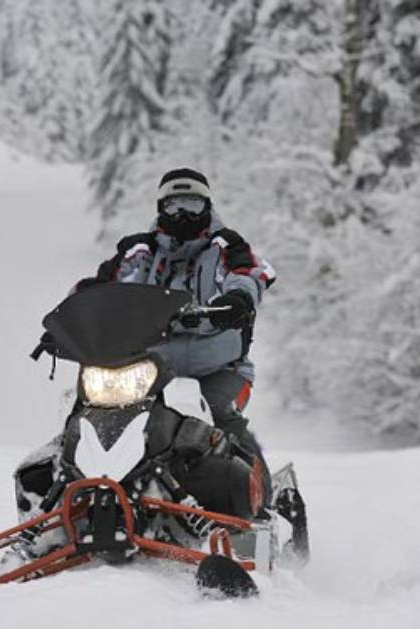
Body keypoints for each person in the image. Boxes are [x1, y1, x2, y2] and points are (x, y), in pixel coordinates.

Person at [71, 167, 276, 498]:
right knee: (93, 410)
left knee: (220, 416)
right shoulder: (139, 250)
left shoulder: (226, 246)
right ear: (160, 208)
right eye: (174, 206)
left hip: (218, 368)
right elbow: (105, 283)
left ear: (207, 207)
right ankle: (71, 495)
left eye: (192, 206)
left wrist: (237, 298)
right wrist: (76, 312)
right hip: (147, 369)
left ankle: (260, 498)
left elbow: (251, 272)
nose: (183, 215)